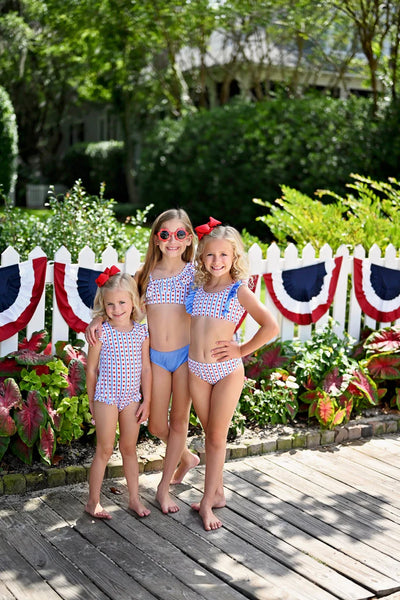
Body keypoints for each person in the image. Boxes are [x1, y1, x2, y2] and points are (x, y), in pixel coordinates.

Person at [86, 208, 199, 515]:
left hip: (186, 355)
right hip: (157, 358)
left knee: (178, 423)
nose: (171, 240)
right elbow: (119, 302)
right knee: (158, 424)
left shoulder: (196, 272)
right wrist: (97, 319)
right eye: (165, 234)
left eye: (179, 234)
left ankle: (163, 490)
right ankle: (186, 457)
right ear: (156, 238)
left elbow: (223, 290)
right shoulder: (144, 275)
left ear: (189, 238)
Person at [185, 217, 279, 531]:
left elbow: (271, 327)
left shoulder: (239, 290)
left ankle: (207, 502)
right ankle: (219, 491)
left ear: (234, 257)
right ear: (202, 256)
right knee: (207, 434)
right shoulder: (198, 286)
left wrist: (241, 350)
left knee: (215, 437)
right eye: (210, 255)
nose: (217, 261)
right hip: (196, 369)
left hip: (226, 371)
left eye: (224, 255)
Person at [85, 267, 152, 520]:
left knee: (129, 449)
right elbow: (91, 370)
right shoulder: (101, 332)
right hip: (106, 397)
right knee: (104, 449)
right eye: (110, 304)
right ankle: (93, 502)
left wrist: (148, 399)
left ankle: (134, 499)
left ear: (133, 302)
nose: (117, 308)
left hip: (131, 398)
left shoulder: (141, 332)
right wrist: (92, 402)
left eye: (122, 302)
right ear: (103, 305)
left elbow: (146, 368)